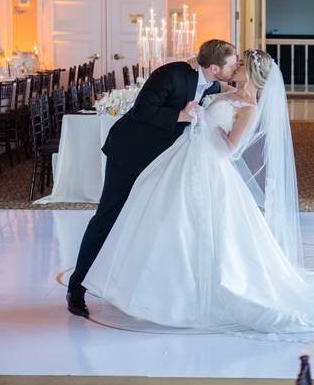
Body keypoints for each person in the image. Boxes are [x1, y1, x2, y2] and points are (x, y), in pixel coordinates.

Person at [82, 49, 314, 332]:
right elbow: (207, 80)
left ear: (252, 73)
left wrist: (207, 125)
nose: (236, 69)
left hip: (208, 167)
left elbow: (231, 149)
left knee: (193, 226)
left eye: (240, 65)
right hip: (182, 157)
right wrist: (198, 66)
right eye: (234, 63)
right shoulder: (224, 90)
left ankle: (188, 296)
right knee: (164, 219)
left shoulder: (249, 108)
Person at [66, 40, 238, 318]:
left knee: (146, 222)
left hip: (163, 162)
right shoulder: (171, 74)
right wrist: (179, 115)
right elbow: (142, 109)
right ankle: (76, 288)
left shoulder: (211, 83)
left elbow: (220, 90)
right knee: (107, 218)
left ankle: (123, 286)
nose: (236, 67)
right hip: (130, 156)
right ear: (216, 67)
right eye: (233, 64)